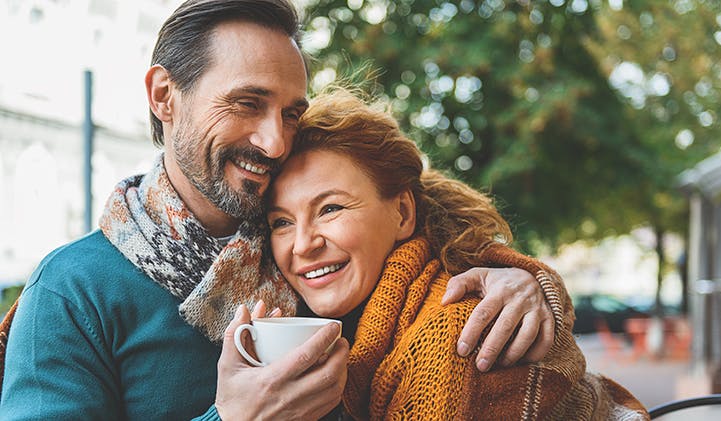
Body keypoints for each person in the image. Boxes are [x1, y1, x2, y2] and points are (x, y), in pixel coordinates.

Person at [0, 0, 557, 419]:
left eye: (291, 114)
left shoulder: (310, 260)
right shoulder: (73, 291)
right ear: (164, 96)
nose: (274, 142)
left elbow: (422, 225)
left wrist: (524, 280)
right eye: (247, 103)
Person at [253, 87, 649, 419]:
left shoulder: (450, 335)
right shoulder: (342, 319)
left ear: (403, 212)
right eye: (281, 222)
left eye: (331, 209)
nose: (303, 244)